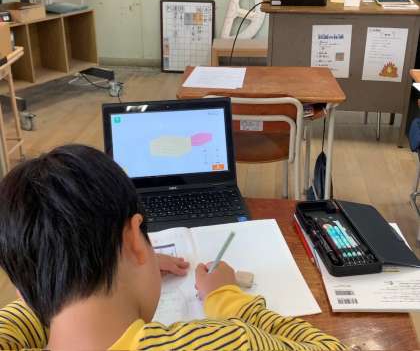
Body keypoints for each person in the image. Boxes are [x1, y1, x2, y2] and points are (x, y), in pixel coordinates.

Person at [0, 145, 346, 351]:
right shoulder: (228, 343)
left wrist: (50, 283)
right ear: (134, 239)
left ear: (20, 287)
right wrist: (226, 297)